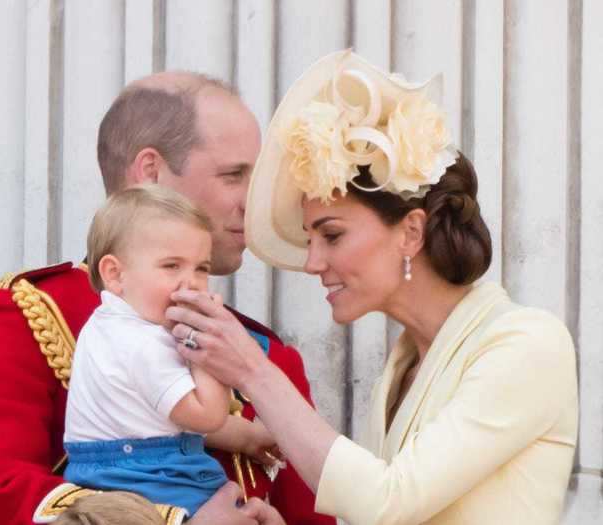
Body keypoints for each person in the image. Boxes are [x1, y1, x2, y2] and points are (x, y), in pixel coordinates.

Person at [167, 50, 579, 524]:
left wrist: (253, 372)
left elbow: (387, 502)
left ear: (410, 231)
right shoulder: (402, 367)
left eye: (332, 235)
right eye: (310, 239)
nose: (313, 262)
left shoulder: (527, 343)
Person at [0, 72, 334, 525]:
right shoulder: (26, 319)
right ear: (151, 174)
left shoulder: (270, 356)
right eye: (233, 175)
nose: (252, 203)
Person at [64, 185, 279, 516]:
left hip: (105, 474)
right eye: (171, 266)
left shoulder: (102, 327)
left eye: (201, 268)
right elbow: (207, 416)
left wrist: (249, 438)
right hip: (149, 477)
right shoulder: (144, 343)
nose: (190, 282)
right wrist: (206, 352)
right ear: (115, 274)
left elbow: (155, 417)